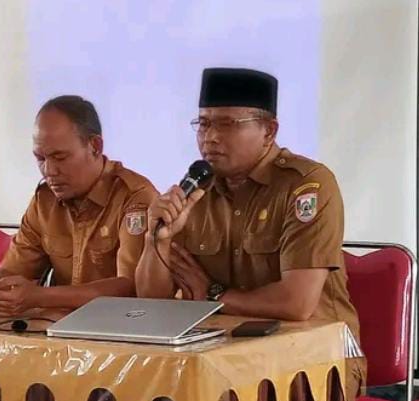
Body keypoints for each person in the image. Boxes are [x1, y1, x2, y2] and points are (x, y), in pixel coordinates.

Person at [135, 68, 365, 399]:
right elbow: (152, 302)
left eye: (227, 124)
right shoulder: (196, 191)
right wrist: (157, 240)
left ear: (269, 130)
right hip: (225, 358)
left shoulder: (306, 185)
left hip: (316, 362)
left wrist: (211, 295)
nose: (210, 138)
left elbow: (296, 303)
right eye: (203, 124)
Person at [0, 95, 157, 316]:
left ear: (95, 146)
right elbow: (14, 271)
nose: (49, 171)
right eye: (40, 158)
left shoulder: (135, 197)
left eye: (60, 157)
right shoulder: (45, 200)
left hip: (120, 327)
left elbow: (131, 287)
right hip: (57, 328)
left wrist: (40, 296)